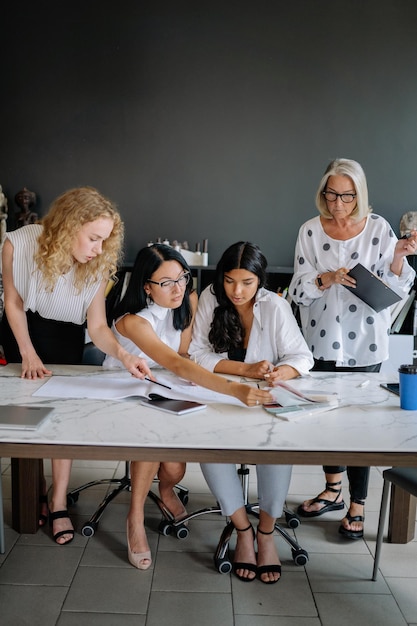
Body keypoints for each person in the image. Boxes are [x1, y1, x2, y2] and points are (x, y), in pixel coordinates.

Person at [102, 243, 274, 570]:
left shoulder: (187, 301)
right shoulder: (132, 322)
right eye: (166, 283)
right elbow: (174, 362)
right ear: (146, 287)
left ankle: (166, 490)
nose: (178, 288)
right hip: (123, 390)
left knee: (175, 469)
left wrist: (237, 374)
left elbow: (184, 357)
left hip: (164, 388)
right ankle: (135, 517)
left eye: (182, 278)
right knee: (150, 445)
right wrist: (233, 389)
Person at [1, 186, 152, 545]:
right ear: (69, 226)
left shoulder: (98, 264)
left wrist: (124, 355)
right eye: (94, 239)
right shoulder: (17, 244)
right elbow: (13, 301)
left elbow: (97, 328)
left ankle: (57, 502)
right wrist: (27, 351)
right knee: (25, 412)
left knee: (60, 415)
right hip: (19, 328)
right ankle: (33, 490)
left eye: (105, 240)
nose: (100, 249)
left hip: (65, 333)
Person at [289, 157, 416, 539]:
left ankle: (358, 505)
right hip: (320, 338)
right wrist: (325, 278)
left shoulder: (378, 228)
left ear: (359, 194)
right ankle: (333, 490)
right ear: (323, 192)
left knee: (360, 425)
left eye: (346, 195)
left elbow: (395, 291)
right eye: (331, 194)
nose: (338, 203)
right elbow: (297, 290)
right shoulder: (310, 232)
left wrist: (398, 257)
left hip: (366, 342)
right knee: (326, 420)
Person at [189, 241, 313, 583]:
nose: (237, 291)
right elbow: (197, 354)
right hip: (221, 394)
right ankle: (243, 528)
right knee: (209, 446)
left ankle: (267, 532)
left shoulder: (275, 305)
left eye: (246, 282)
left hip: (264, 398)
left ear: (260, 280)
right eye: (230, 281)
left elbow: (302, 356)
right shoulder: (210, 300)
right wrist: (245, 370)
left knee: (278, 448)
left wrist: (282, 371)